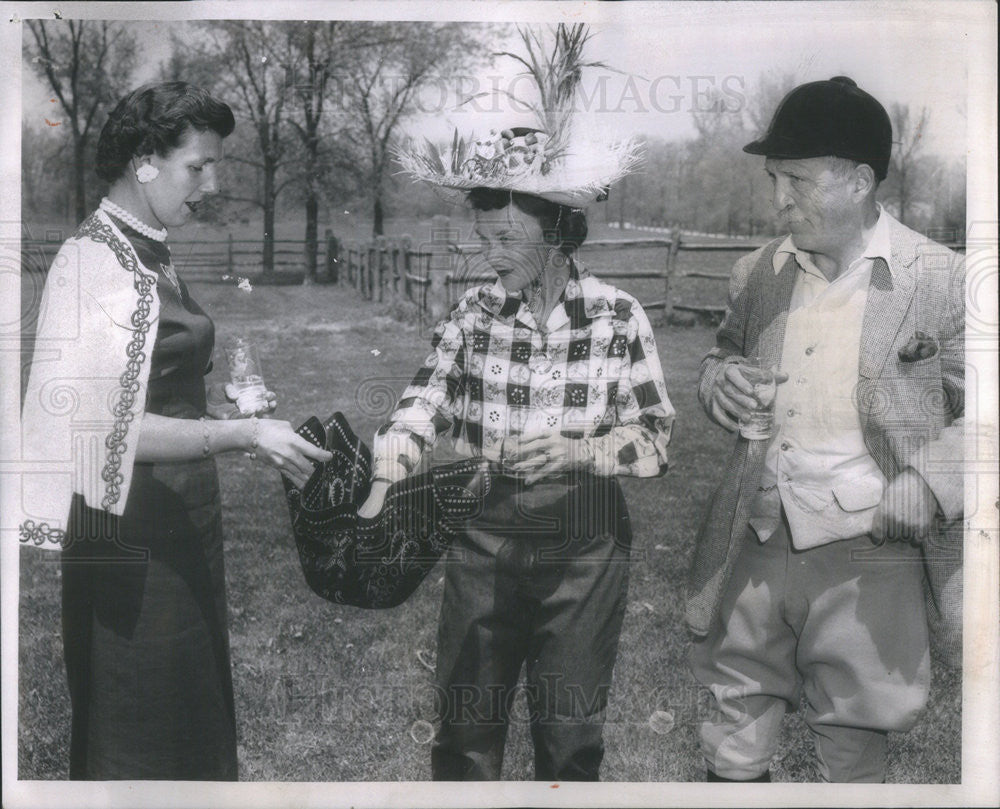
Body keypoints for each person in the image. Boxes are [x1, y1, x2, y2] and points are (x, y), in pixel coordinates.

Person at [18, 81, 331, 780]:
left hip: (180, 528)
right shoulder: (94, 260)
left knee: (191, 724)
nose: (213, 184)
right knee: (143, 734)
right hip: (129, 548)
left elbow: (148, 396)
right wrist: (243, 438)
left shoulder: (147, 247)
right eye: (199, 166)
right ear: (143, 161)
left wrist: (225, 417)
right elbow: (97, 432)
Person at [369, 102, 675, 779]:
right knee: (465, 734)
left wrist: (582, 450)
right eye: (484, 235)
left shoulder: (617, 316)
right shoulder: (474, 312)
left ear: (559, 231)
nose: (491, 252)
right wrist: (396, 447)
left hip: (586, 542)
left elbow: (654, 439)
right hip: (484, 536)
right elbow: (427, 396)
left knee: (569, 739)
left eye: (508, 234)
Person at [686, 76, 965, 783]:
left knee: (854, 734)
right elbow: (722, 351)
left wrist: (932, 482)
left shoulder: (944, 279)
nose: (778, 198)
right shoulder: (758, 271)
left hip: (871, 555)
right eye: (774, 178)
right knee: (732, 727)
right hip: (755, 541)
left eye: (798, 180)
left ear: (862, 180)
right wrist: (721, 380)